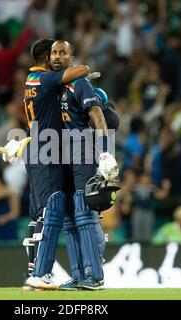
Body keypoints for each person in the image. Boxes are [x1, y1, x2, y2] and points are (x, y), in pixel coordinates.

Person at [2, 38, 92, 290]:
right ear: (46, 58)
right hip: (47, 152)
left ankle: (32, 276)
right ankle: (40, 273)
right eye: (54, 53)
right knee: (50, 210)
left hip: (36, 147)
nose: (57, 58)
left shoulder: (30, 82)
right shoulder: (45, 79)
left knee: (37, 214)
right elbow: (82, 70)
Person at [48, 40, 119, 290]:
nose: (57, 56)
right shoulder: (52, 85)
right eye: (54, 52)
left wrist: (105, 153)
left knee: (83, 214)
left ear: (71, 57)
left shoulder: (80, 83)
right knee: (69, 218)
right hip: (60, 156)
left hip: (81, 153)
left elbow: (98, 116)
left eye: (62, 53)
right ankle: (79, 276)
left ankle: (94, 276)